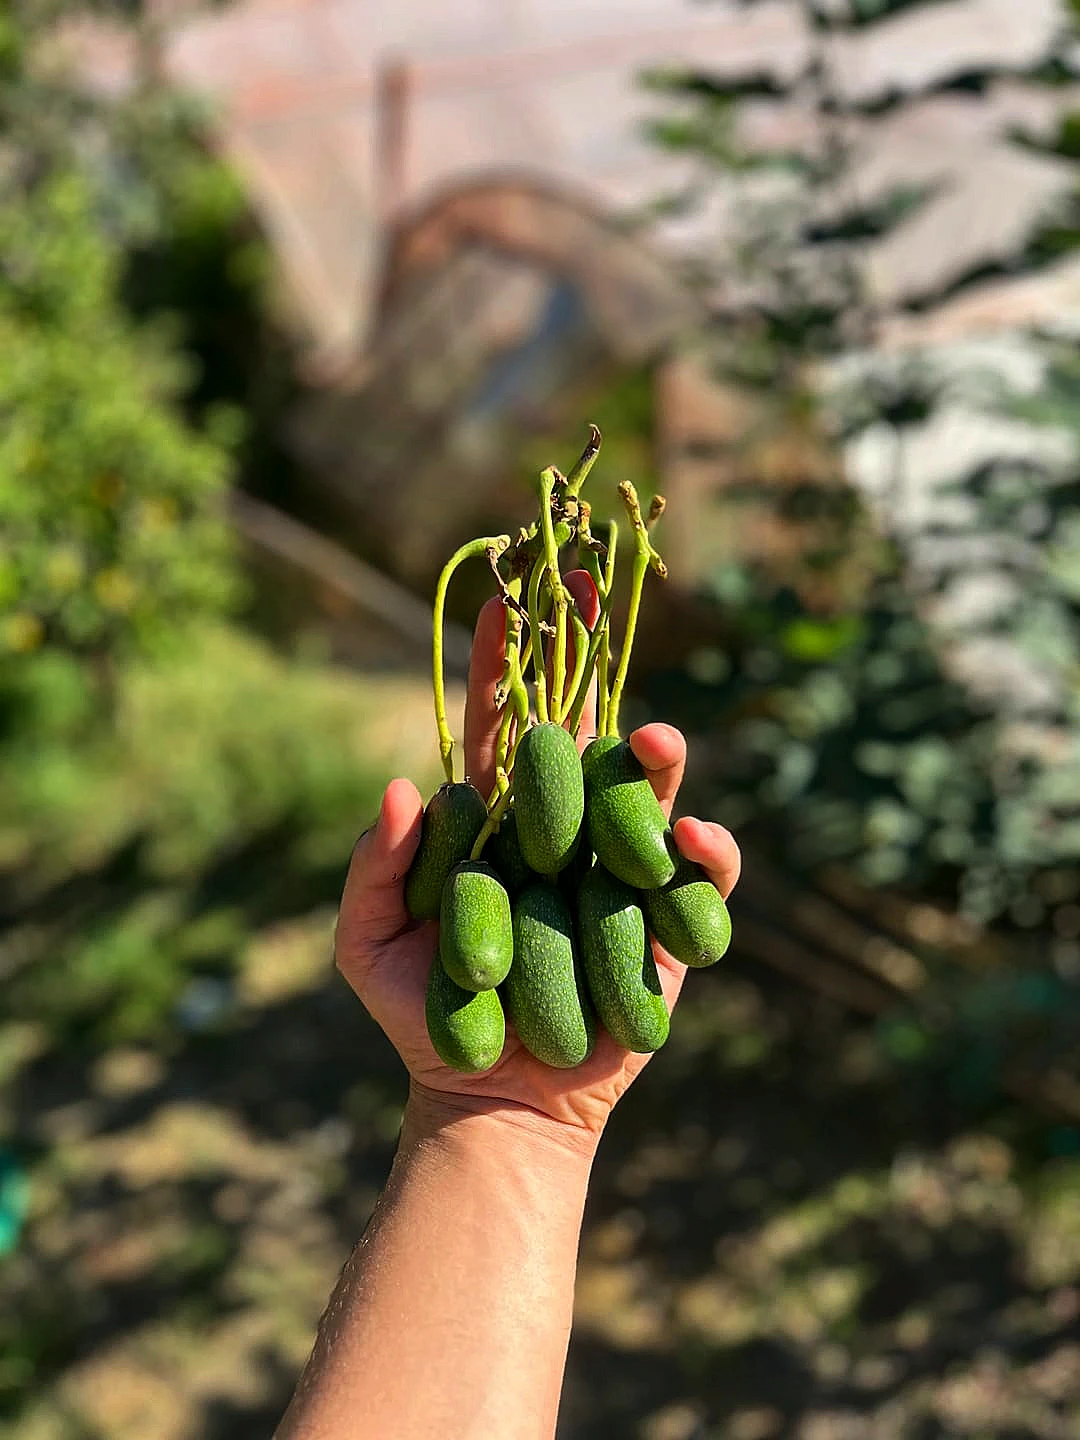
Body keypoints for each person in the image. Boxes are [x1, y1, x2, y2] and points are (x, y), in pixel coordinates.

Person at [276, 573, 741, 1439]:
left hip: (547, 853)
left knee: (615, 785)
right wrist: (493, 1117)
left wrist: (515, 1126)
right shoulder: (491, 863)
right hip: (517, 885)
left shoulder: (547, 853)